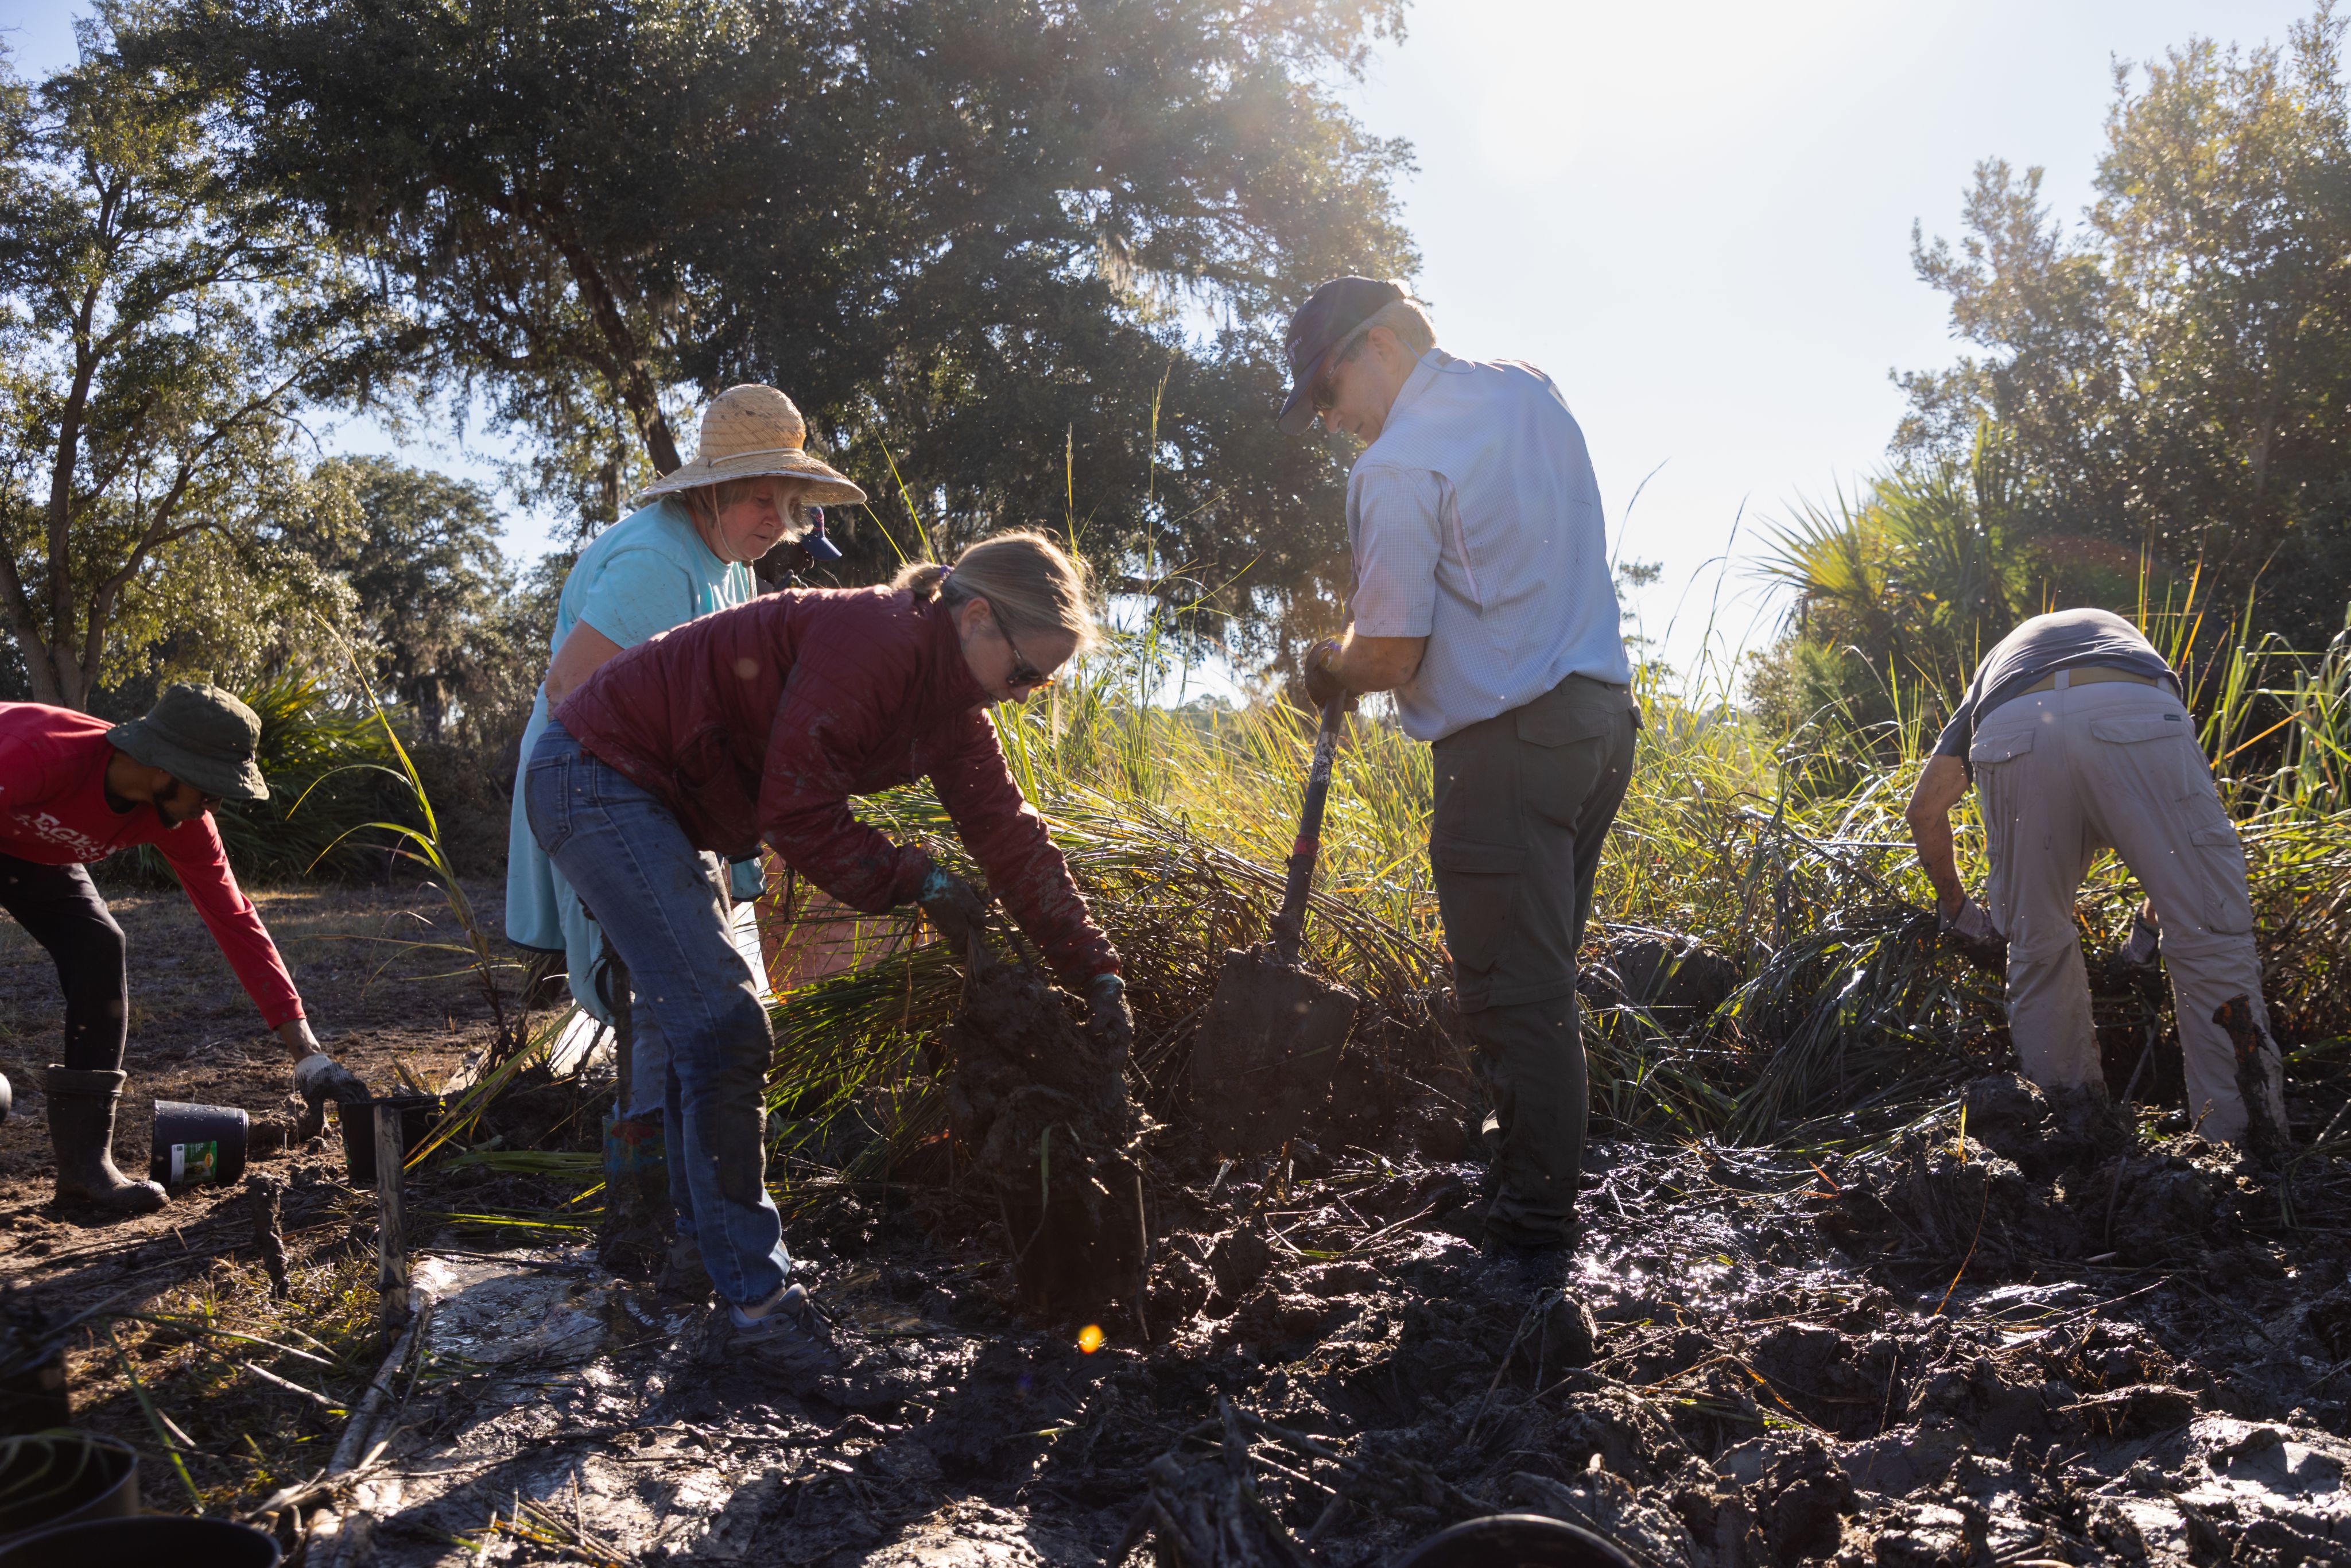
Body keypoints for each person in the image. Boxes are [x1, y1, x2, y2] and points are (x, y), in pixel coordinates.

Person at [525, 530, 1133, 1368]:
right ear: (978, 618)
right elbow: (797, 812)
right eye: (1026, 674)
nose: (1025, 696)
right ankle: (759, 1312)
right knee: (726, 1028)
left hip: (657, 801)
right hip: (598, 775)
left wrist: (1094, 967)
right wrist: (916, 880)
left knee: (700, 1032)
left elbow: (1010, 838)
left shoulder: (949, 702)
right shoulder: (879, 639)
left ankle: (703, 1266)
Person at [1281, 277, 1638, 1267]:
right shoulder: (1528, 388)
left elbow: (1389, 653)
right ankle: (1514, 1159)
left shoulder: (1396, 465)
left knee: (1514, 995)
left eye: (1325, 387)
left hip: (1510, 746)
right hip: (1599, 723)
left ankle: (1529, 1231)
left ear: (1379, 345)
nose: (1328, 417)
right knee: (1540, 975)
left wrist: (1328, 666)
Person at [505, 385, 866, 1119]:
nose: (778, 520)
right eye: (761, 498)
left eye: (789, 502)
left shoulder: (728, 558)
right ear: (716, 489)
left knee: (681, 985)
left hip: (664, 791)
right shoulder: (656, 560)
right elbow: (571, 687)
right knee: (663, 978)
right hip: (595, 785)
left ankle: (664, 1160)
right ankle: (646, 1181)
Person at [1903, 607, 2287, 1144]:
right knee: (2210, 938)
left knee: (2036, 950)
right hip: (2140, 711)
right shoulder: (2125, 649)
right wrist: (2146, 937)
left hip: (2014, 725)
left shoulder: (1999, 666)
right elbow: (2179, 867)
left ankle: (2075, 1137)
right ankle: (2243, 1146)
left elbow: (1923, 812)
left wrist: (1958, 912)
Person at [0, 684, 366, 1213]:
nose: (214, 804)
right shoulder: (39, 754)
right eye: (210, 788)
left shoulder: (184, 819)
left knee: (99, 946)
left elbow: (235, 919)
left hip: (32, 848)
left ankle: (85, 1170)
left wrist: (307, 1054)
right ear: (162, 765)